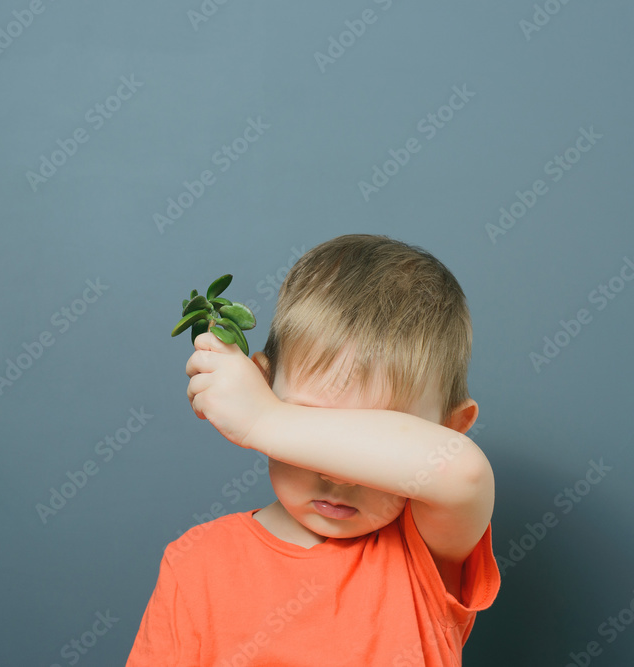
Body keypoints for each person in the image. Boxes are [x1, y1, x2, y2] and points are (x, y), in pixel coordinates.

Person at [126, 234, 501, 666]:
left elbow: (463, 471)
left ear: (450, 428)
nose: (338, 474)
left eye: (373, 432)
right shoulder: (197, 562)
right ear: (261, 383)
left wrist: (265, 420)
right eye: (310, 416)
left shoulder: (426, 552)